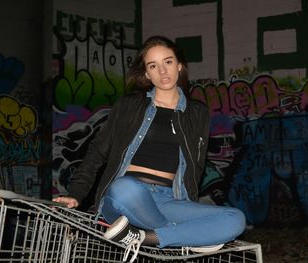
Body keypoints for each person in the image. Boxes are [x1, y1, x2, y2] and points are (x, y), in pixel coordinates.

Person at [53, 35, 246, 257]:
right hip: (126, 198)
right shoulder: (130, 105)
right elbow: (97, 152)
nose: (163, 71)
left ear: (180, 65)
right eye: (153, 66)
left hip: (169, 199)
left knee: (235, 219)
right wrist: (76, 193)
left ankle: (147, 238)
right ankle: (184, 237)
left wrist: (189, 204)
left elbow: (196, 166)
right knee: (125, 187)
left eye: (168, 62)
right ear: (146, 73)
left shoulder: (197, 112)